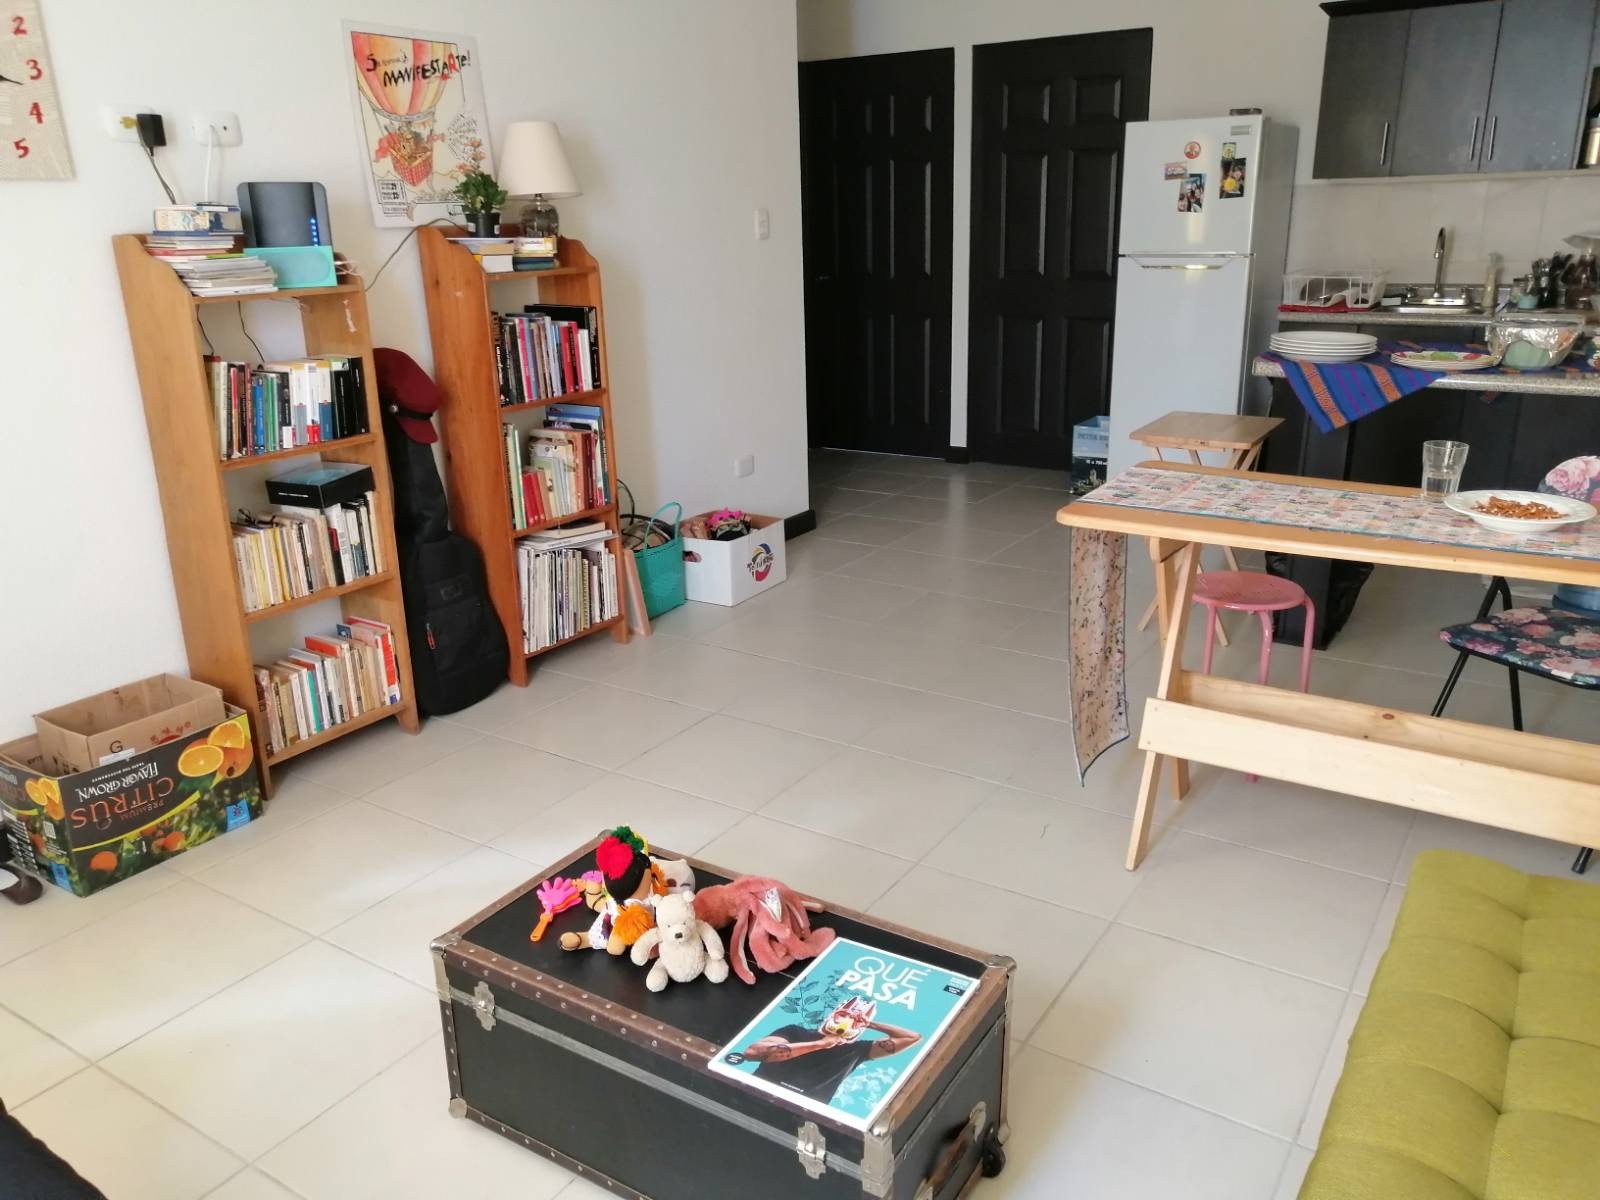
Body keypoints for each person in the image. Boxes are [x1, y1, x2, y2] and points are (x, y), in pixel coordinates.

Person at [738, 998, 921, 1105]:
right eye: (844, 1015)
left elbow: (912, 1038)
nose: (847, 1021)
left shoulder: (858, 1049)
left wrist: (870, 1023)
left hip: (805, 1112)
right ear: (833, 1013)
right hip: (756, 1096)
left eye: (854, 1020)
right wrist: (820, 1044)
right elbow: (752, 1052)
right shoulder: (795, 1031)